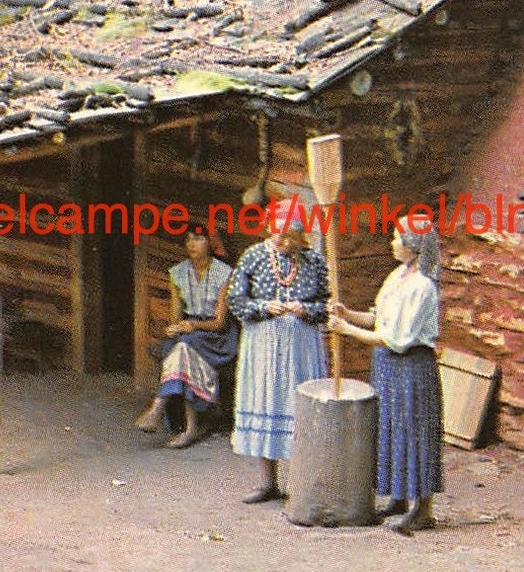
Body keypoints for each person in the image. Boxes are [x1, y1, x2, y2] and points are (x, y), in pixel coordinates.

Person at [329, 221, 443, 535]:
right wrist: (347, 313)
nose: (392, 242)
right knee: (391, 429)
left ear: (413, 244)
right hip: (388, 367)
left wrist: (347, 331)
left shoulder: (422, 286)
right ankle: (398, 498)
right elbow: (377, 318)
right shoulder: (398, 276)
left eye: (396, 237)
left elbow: (396, 339)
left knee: (413, 432)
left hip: (410, 366)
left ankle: (423, 509)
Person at [227, 199, 329, 503]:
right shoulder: (254, 257)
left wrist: (306, 308)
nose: (285, 242)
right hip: (263, 343)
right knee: (267, 401)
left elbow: (327, 306)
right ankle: (267, 482)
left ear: (301, 236)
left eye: (291, 236)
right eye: (279, 235)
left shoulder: (314, 261)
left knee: (298, 407)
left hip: (302, 345)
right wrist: (263, 306)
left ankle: (300, 482)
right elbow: (236, 301)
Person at [134, 225, 238, 449]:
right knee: (180, 346)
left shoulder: (223, 273)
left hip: (216, 337)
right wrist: (174, 328)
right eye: (188, 239)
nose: (191, 244)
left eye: (198, 239)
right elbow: (175, 317)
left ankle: (158, 408)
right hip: (189, 334)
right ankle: (189, 427)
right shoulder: (178, 273)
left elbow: (220, 322)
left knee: (184, 347)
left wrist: (192, 326)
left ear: (210, 244)